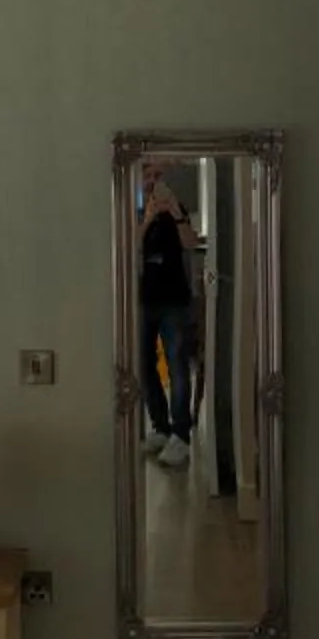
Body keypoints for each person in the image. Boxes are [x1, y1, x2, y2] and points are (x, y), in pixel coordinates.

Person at [138, 166, 200, 468]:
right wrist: (148, 216)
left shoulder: (177, 208)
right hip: (142, 301)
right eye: (147, 176)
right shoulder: (134, 211)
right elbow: (129, 248)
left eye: (156, 176)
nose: (152, 182)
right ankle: (160, 427)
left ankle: (181, 435)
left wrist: (175, 211)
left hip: (174, 299)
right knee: (144, 364)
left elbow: (190, 242)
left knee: (177, 365)